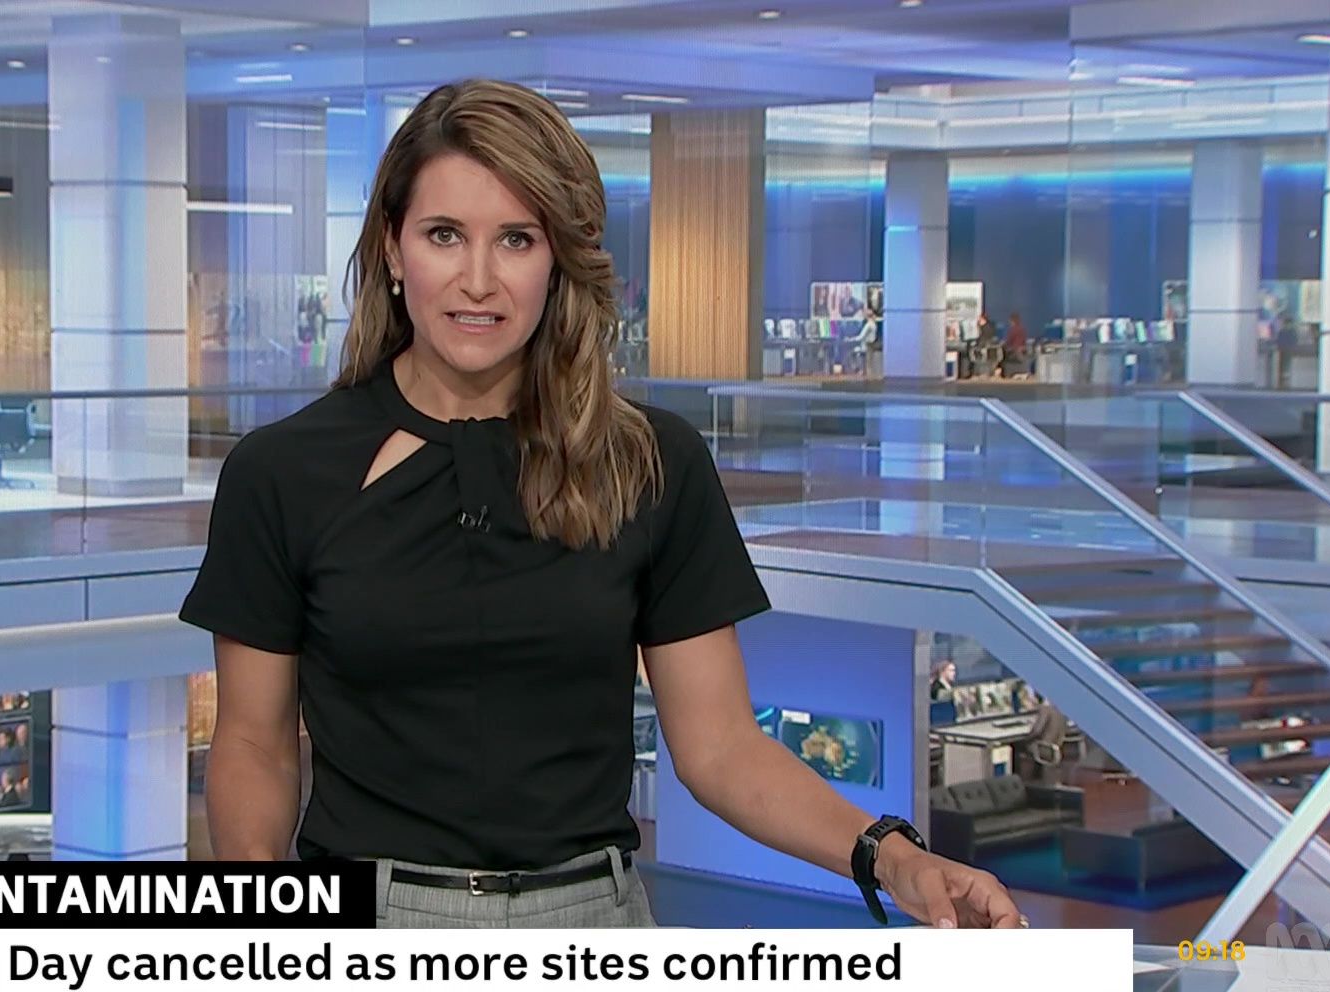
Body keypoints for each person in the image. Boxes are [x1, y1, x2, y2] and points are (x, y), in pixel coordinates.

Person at [181, 79, 1021, 932]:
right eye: (444, 235)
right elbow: (254, 744)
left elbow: (722, 748)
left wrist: (892, 856)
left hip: (590, 928)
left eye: (516, 239)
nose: (478, 280)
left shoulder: (651, 464)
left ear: (558, 260)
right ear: (394, 250)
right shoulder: (283, 472)